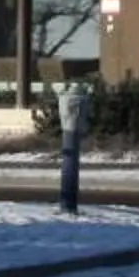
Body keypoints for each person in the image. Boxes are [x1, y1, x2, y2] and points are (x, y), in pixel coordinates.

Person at [58, 80, 92, 215]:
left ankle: (67, 205)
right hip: (73, 131)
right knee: (71, 166)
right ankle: (69, 206)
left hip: (67, 130)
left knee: (68, 166)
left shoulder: (64, 98)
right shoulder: (81, 98)